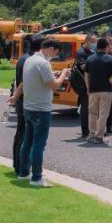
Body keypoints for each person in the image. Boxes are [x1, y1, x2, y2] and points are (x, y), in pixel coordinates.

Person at [17, 39, 71, 186]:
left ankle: (24, 172)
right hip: (41, 109)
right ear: (51, 49)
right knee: (38, 145)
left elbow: (37, 77)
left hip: (28, 107)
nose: (54, 57)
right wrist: (63, 74)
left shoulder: (30, 60)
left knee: (27, 142)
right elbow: (54, 85)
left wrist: (54, 73)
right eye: (55, 53)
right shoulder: (43, 63)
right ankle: (37, 178)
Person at [7, 34, 40, 176]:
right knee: (25, 135)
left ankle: (18, 163)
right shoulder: (29, 60)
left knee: (21, 133)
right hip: (26, 99)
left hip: (22, 99)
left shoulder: (23, 58)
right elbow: (23, 82)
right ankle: (21, 164)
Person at [83, 36, 112, 144]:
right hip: (106, 90)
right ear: (106, 47)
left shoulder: (90, 58)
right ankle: (99, 136)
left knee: (92, 113)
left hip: (93, 89)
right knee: (103, 114)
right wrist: (111, 79)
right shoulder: (110, 58)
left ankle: (92, 134)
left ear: (97, 47)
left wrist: (87, 88)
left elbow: (86, 75)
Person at [72, 33, 96, 138]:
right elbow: (83, 67)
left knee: (92, 108)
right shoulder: (81, 52)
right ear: (87, 41)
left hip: (91, 82)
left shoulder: (91, 51)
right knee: (85, 108)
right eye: (93, 42)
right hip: (83, 84)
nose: (94, 44)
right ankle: (85, 131)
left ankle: (92, 130)